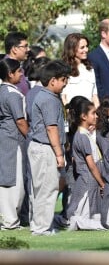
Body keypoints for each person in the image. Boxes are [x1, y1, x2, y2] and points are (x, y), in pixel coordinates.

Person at [27, 60, 71, 235]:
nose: (65, 83)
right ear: (53, 80)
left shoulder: (47, 96)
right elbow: (51, 127)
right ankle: (42, 228)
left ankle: (39, 225)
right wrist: (59, 154)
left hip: (42, 147)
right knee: (47, 188)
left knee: (42, 188)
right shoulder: (49, 99)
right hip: (46, 148)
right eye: (63, 79)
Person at [66, 97, 105, 230]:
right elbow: (91, 164)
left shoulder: (86, 134)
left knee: (92, 212)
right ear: (83, 116)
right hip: (88, 180)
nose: (96, 116)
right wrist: (101, 182)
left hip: (91, 180)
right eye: (93, 113)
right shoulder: (82, 137)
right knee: (80, 215)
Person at [0, 59, 28, 230]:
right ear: (10, 74)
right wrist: (31, 138)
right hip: (13, 141)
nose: (22, 74)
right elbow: (20, 121)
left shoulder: (3, 91)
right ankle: (10, 221)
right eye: (19, 71)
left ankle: (8, 219)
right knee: (13, 181)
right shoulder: (12, 94)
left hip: (5, 139)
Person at [62, 33, 99, 108]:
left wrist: (97, 112)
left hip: (89, 115)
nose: (86, 49)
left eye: (86, 46)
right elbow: (63, 97)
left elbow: (94, 96)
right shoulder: (64, 69)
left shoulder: (90, 69)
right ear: (72, 49)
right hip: (73, 115)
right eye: (82, 47)